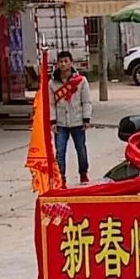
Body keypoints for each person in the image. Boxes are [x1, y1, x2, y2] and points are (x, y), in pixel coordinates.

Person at [49, 51, 92, 185]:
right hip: (61, 123)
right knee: (60, 151)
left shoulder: (81, 81)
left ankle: (83, 173)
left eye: (66, 61)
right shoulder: (52, 83)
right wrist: (52, 121)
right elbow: (51, 104)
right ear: (57, 64)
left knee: (81, 149)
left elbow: (86, 101)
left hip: (77, 120)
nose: (63, 64)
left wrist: (86, 119)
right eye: (60, 62)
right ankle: (61, 177)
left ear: (71, 63)